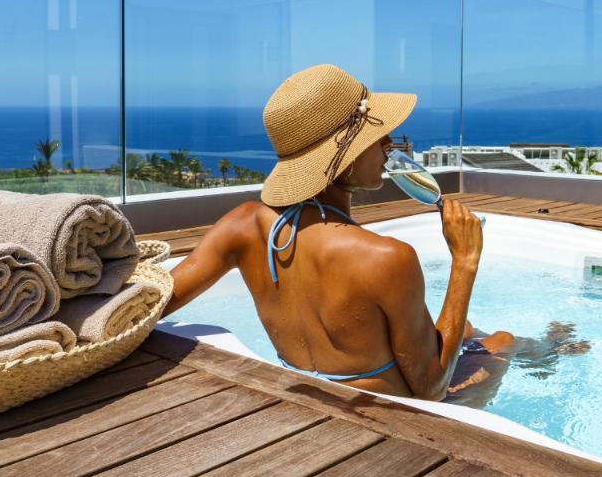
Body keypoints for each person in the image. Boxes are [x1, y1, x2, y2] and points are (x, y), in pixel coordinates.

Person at [164, 63, 516, 401]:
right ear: (343, 156)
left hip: (304, 398)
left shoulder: (241, 225)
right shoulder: (387, 257)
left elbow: (153, 303)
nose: (389, 143)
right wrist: (465, 260)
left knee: (466, 330)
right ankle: (542, 350)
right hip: (396, 420)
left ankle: (525, 345)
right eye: (375, 135)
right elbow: (431, 389)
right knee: (503, 341)